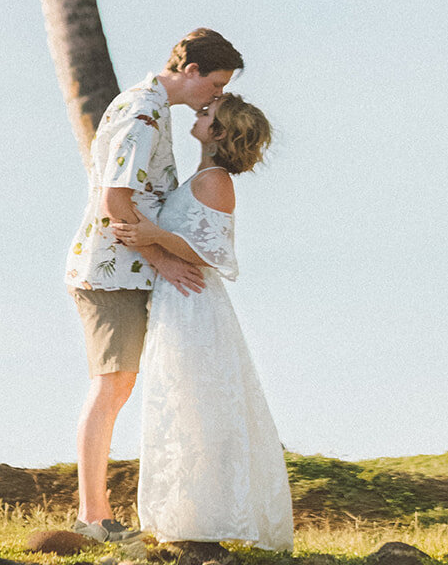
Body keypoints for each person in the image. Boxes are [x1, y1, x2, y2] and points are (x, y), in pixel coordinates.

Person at [65, 29, 244, 544]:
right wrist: (161, 260)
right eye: (214, 83)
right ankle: (93, 517)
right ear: (190, 71)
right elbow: (114, 201)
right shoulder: (143, 115)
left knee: (118, 386)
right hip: (110, 269)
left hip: (127, 269)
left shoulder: (153, 111)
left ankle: (98, 514)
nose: (216, 95)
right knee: (111, 386)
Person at [113, 94, 294, 550]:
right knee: (178, 400)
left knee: (195, 401)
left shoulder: (215, 181)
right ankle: (183, 514)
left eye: (208, 114)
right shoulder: (198, 177)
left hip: (194, 302)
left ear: (219, 132)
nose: (199, 113)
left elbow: (217, 256)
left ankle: (202, 521)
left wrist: (156, 236)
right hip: (176, 297)